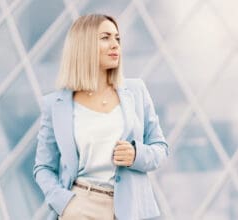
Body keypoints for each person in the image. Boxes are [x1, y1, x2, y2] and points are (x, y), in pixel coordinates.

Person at [33, 14, 169, 220]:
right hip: (79, 206)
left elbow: (160, 149)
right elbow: (43, 167)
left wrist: (136, 154)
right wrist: (64, 203)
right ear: (83, 45)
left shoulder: (136, 91)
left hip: (131, 209)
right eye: (105, 38)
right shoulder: (55, 105)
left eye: (117, 38)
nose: (115, 45)